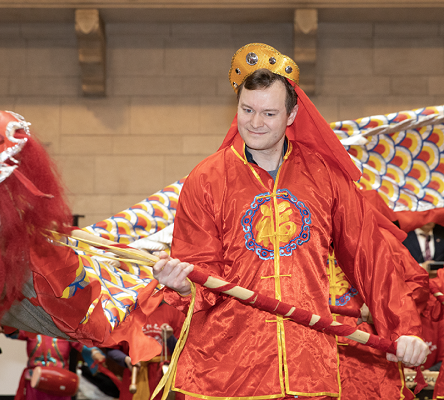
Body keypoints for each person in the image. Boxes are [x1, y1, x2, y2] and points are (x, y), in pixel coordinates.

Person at [152, 43, 428, 399]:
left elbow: (369, 256)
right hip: (226, 369)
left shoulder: (325, 176)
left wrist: (403, 328)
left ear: (292, 115)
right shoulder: (205, 180)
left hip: (308, 367)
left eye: (268, 113)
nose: (254, 122)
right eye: (247, 109)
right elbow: (203, 269)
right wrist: (185, 285)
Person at [106, 302, 184, 400]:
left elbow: (183, 354)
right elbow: (111, 349)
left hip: (161, 376)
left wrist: (170, 338)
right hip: (134, 374)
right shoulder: (128, 312)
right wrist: (126, 360)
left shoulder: (174, 311)